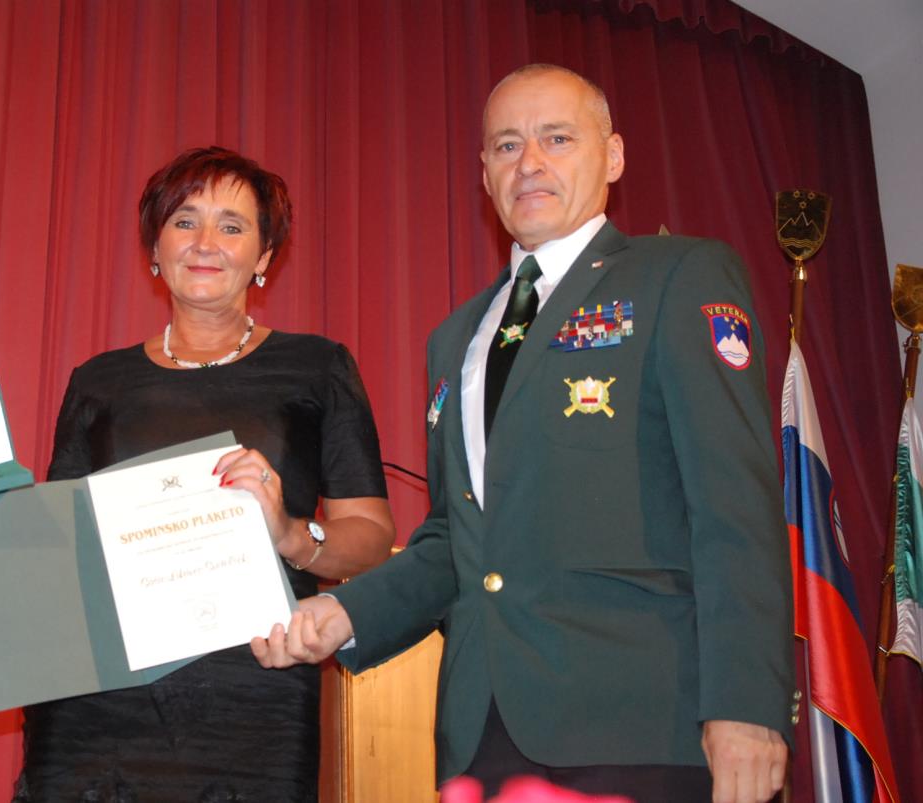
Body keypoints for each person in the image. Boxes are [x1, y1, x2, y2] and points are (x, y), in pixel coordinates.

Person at [252, 65, 795, 803]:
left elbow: (735, 506)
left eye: (557, 139)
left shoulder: (678, 275)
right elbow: (459, 538)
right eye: (507, 146)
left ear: (613, 156)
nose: (529, 162)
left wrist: (747, 705)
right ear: (484, 174)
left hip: (641, 722)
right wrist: (345, 612)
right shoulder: (456, 338)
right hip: (482, 729)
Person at [0, 146, 396, 802]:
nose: (206, 242)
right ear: (155, 248)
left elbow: (371, 536)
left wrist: (291, 534)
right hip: (95, 708)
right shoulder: (99, 381)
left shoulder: (317, 368)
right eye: (185, 221)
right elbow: (57, 549)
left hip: (252, 700)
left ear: (265, 257)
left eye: (232, 226)